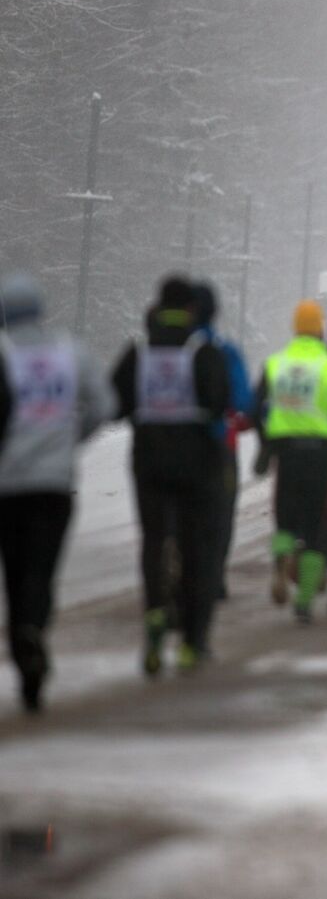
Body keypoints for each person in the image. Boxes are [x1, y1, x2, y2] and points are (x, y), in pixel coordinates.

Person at [0, 275, 114, 711]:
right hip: (54, 483)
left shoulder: (3, 353)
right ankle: (35, 630)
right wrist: (71, 438)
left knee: (13, 571)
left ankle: (22, 646)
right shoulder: (69, 352)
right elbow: (105, 404)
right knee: (42, 569)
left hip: (7, 485)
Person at [112, 276, 230, 672]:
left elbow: (117, 402)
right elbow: (220, 403)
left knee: (153, 540)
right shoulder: (202, 350)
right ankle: (193, 642)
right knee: (195, 547)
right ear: (192, 310)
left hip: (148, 461)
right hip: (196, 463)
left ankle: (155, 615)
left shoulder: (139, 351)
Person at [254, 300, 327, 625]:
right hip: (322, 454)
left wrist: (266, 443)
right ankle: (305, 600)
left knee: (284, 516)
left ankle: (281, 559)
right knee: (316, 526)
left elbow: (257, 407)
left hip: (286, 452)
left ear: (295, 327)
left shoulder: (276, 362)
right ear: (320, 328)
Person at [191, 283, 253, 601]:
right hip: (219, 447)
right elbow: (243, 401)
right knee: (220, 514)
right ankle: (213, 575)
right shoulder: (224, 351)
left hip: (171, 450)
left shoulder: (162, 350)